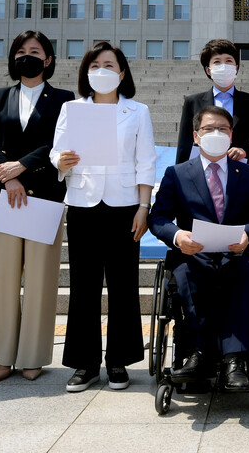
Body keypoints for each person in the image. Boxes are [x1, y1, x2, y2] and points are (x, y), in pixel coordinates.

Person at [50, 42, 156, 392]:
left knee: (123, 284)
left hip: (125, 206)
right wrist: (60, 161)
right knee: (83, 285)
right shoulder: (72, 108)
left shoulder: (137, 111)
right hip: (83, 204)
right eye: (95, 64)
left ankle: (119, 360)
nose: (102, 70)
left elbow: (145, 161)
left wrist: (144, 207)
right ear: (86, 72)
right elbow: (57, 149)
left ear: (122, 72)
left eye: (109, 64)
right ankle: (85, 363)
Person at [149, 106, 249, 391]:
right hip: (194, 254)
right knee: (187, 275)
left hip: (236, 253)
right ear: (195, 136)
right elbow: (158, 217)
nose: (215, 134)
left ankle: (235, 360)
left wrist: (248, 236)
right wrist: (179, 236)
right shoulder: (177, 174)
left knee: (242, 273)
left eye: (222, 129)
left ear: (231, 136)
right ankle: (197, 354)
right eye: (208, 129)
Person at [0, 31, 75, 383]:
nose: (27, 56)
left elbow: (58, 142)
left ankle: (33, 355)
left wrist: (23, 167)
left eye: (35, 51)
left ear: (48, 59)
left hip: (44, 197)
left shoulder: (64, 99)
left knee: (40, 281)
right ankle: (4, 356)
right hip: (4, 197)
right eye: (20, 51)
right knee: (2, 280)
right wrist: (9, 176)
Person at [175, 38, 249, 164]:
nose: (223, 66)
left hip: (239, 171)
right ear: (208, 70)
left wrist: (245, 151)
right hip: (203, 171)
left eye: (229, 61)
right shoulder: (192, 102)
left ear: (236, 67)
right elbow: (184, 147)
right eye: (217, 62)